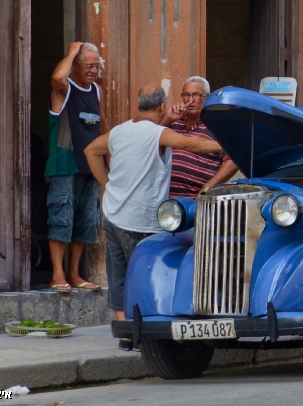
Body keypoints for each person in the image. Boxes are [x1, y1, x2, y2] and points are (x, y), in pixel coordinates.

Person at [84, 84, 222, 348]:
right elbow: (191, 143)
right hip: (139, 220)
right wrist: (225, 144)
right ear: (161, 107)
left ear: (139, 104)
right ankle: (143, 331)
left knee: (119, 275)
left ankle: (126, 333)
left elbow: (91, 150)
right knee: (146, 274)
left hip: (112, 214)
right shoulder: (158, 134)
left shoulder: (120, 131)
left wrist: (107, 185)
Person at [45, 41, 105, 292]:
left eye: (97, 66)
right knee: (61, 219)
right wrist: (70, 52)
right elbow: (58, 75)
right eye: (89, 65)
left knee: (85, 221)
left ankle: (74, 274)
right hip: (64, 165)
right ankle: (57, 274)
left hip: (90, 168)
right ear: (76, 66)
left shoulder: (97, 91)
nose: (94, 71)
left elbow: (103, 129)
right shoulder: (64, 88)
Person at [163, 76, 238, 197]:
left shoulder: (216, 126)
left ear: (207, 97)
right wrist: (168, 119)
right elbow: (151, 140)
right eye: (186, 95)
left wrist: (207, 188)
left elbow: (233, 161)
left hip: (196, 202)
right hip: (167, 203)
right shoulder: (174, 122)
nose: (190, 100)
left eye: (196, 95)